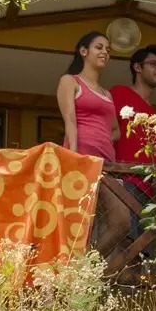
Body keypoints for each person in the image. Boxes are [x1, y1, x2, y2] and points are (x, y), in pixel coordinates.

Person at [56, 31, 128, 257]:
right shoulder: (70, 81)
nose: (105, 52)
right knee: (83, 224)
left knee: (120, 222)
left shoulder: (107, 94)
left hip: (108, 164)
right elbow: (70, 120)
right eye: (99, 47)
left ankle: (85, 267)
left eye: (108, 49)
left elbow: (116, 130)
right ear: (83, 51)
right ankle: (81, 268)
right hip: (83, 161)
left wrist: (101, 137)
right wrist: (73, 156)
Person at [110, 44, 156, 248]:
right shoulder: (119, 93)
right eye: (153, 64)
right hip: (122, 182)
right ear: (137, 67)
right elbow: (105, 130)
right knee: (122, 244)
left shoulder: (155, 114)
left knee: (140, 251)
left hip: (148, 191)